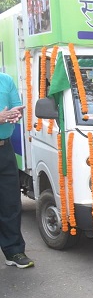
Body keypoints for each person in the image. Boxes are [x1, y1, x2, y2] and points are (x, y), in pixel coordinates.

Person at [0, 72, 33, 268]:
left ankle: (14, 252)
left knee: (11, 203)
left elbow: (16, 107)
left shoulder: (6, 80)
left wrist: (15, 114)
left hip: (5, 149)